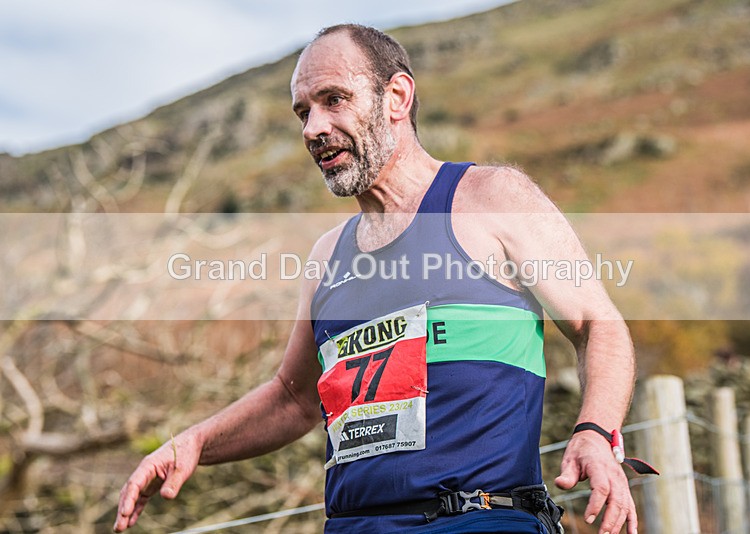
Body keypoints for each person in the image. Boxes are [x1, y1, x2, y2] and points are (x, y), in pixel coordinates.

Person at [114, 24, 640, 534]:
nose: (311, 128)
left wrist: (595, 432)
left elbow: (598, 326)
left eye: (333, 100)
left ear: (397, 97)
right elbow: (295, 398)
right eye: (303, 111)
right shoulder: (327, 257)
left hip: (481, 518)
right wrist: (193, 443)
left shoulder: (493, 198)